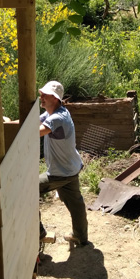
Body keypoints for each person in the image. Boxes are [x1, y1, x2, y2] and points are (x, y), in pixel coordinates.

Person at [38, 80, 88, 247]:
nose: (42, 97)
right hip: (71, 168)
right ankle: (80, 236)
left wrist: (5, 127)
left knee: (28, 189)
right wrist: (6, 122)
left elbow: (35, 131)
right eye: (42, 94)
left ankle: (39, 233)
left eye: (46, 95)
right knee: (76, 203)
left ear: (56, 99)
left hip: (61, 172)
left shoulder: (58, 118)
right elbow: (33, 123)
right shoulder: (53, 113)